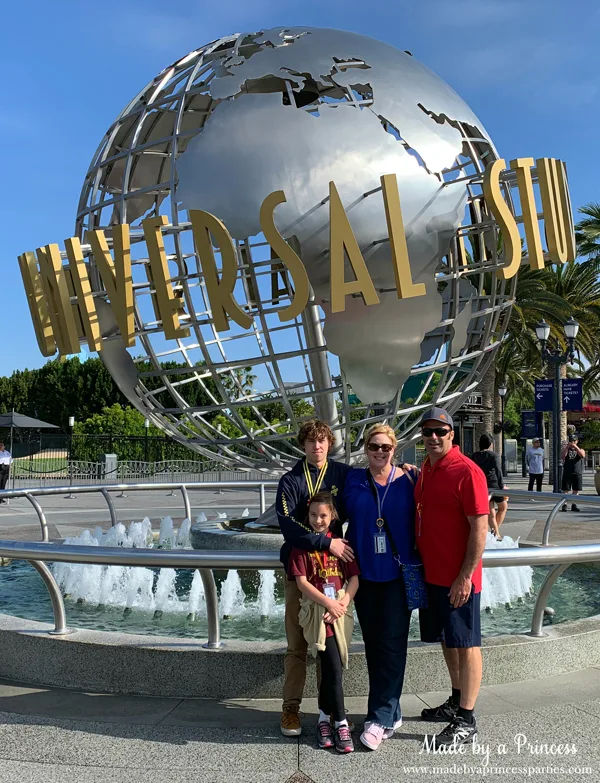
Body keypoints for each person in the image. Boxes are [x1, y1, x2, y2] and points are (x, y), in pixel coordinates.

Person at [414, 408, 489, 747]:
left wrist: (465, 577)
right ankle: (456, 701)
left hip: (458, 579)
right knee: (448, 639)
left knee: (468, 643)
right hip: (433, 575)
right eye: (427, 431)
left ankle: (467, 720)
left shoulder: (467, 472)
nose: (433, 437)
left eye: (440, 432)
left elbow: (480, 528)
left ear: (452, 434)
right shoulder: (427, 470)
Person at [276, 419, 354, 737]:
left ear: (329, 443)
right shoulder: (291, 480)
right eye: (310, 441)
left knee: (328, 649)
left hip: (332, 575)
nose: (317, 446)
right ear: (303, 445)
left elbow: (359, 503)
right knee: (297, 646)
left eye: (322, 440)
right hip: (300, 575)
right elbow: (287, 526)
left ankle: (329, 712)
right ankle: (290, 710)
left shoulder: (342, 475)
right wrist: (326, 541)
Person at [343, 423, 418, 751]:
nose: (380, 452)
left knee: (393, 645)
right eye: (374, 446)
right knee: (374, 644)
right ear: (364, 448)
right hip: (363, 576)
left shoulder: (411, 480)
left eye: (386, 447)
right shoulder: (352, 481)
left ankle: (379, 717)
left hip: (397, 575)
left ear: (395, 449)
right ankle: (393, 709)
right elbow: (328, 512)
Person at [288, 491, 359, 754]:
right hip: (319, 613)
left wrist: (341, 603)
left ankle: (322, 720)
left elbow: (354, 579)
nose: (319, 520)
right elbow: (302, 583)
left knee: (329, 667)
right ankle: (340, 721)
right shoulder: (302, 546)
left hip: (339, 612)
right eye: (314, 515)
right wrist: (328, 603)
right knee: (334, 666)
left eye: (324, 515)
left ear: (333, 516)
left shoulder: (341, 545)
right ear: (307, 517)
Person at [470, 433, 507, 539]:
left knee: (490, 509)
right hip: (494, 484)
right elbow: (498, 470)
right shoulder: (493, 455)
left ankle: (494, 532)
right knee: (503, 507)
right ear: (490, 444)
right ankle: (496, 532)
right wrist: (501, 485)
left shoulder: (474, 456)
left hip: (481, 485)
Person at [561, 434, 586, 512]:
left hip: (577, 472)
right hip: (567, 472)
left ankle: (574, 505)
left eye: (574, 441)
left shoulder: (581, 449)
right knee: (565, 490)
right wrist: (567, 447)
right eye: (571, 441)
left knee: (576, 490)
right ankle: (564, 505)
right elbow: (562, 456)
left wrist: (575, 447)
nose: (572, 442)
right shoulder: (566, 449)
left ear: (577, 441)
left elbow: (582, 455)